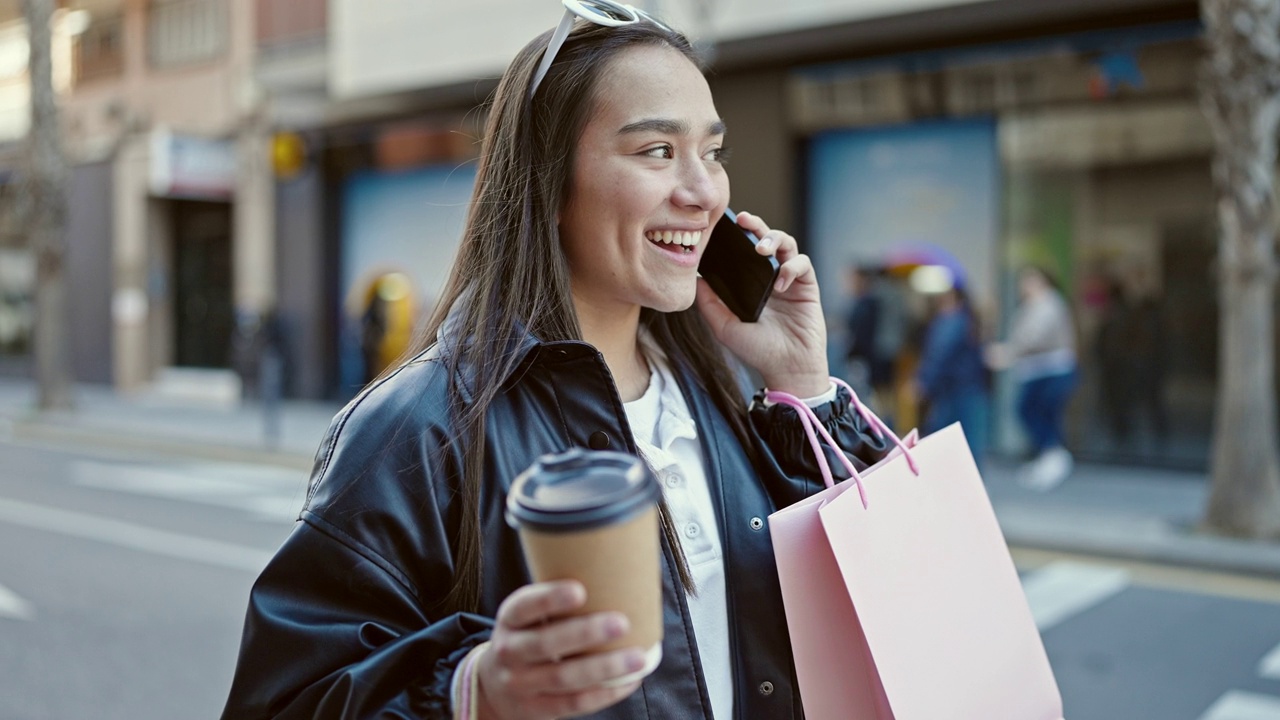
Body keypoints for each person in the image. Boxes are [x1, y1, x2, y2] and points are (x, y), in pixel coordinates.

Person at [218, 5, 890, 720]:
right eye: (656, 151)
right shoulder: (419, 428)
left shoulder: (721, 395)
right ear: (551, 181)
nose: (703, 192)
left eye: (712, 151)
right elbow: (286, 701)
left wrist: (804, 388)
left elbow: (880, 599)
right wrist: (474, 695)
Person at [989, 265, 1078, 491]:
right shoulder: (1035, 305)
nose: (1023, 285)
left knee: (1037, 412)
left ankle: (1054, 456)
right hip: (1037, 370)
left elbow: (1034, 338)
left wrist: (1009, 352)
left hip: (1049, 370)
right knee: (1033, 412)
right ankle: (1050, 456)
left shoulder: (1049, 303)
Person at [914, 283, 989, 465]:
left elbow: (939, 354)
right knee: (967, 438)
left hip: (952, 387)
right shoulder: (967, 318)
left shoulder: (950, 321)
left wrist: (924, 381)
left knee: (942, 437)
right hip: (967, 385)